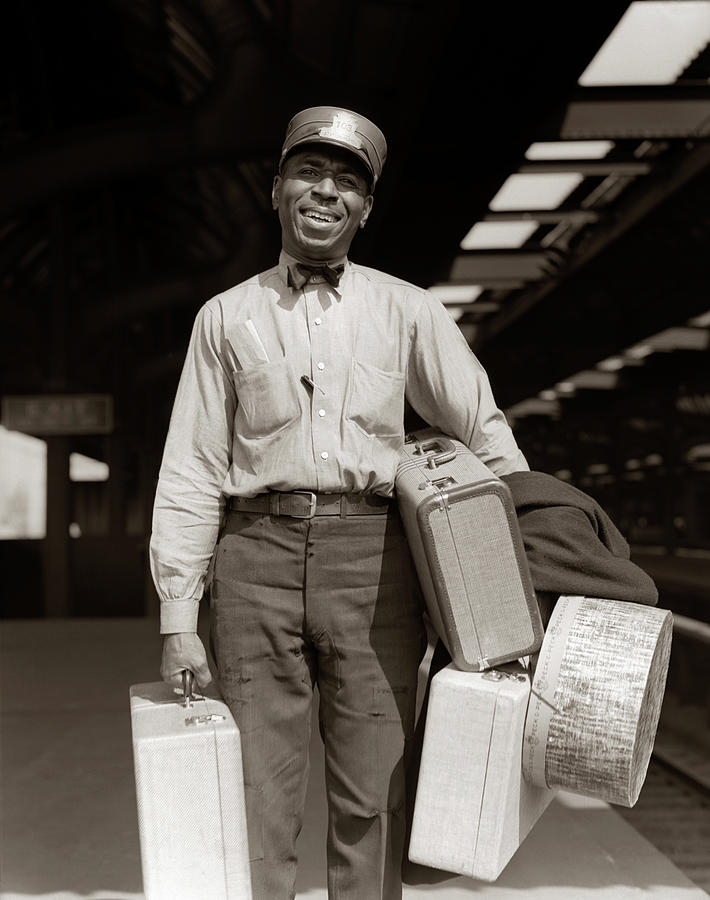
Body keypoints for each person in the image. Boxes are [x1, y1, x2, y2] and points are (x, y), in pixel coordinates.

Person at [150, 105, 529, 900]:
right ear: (277, 188)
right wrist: (179, 621)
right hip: (253, 561)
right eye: (309, 172)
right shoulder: (224, 318)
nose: (326, 193)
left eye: (347, 182)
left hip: (379, 565)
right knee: (258, 797)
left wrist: (517, 586)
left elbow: (485, 437)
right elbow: (190, 468)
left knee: (372, 794)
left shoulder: (410, 310)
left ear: (366, 207)